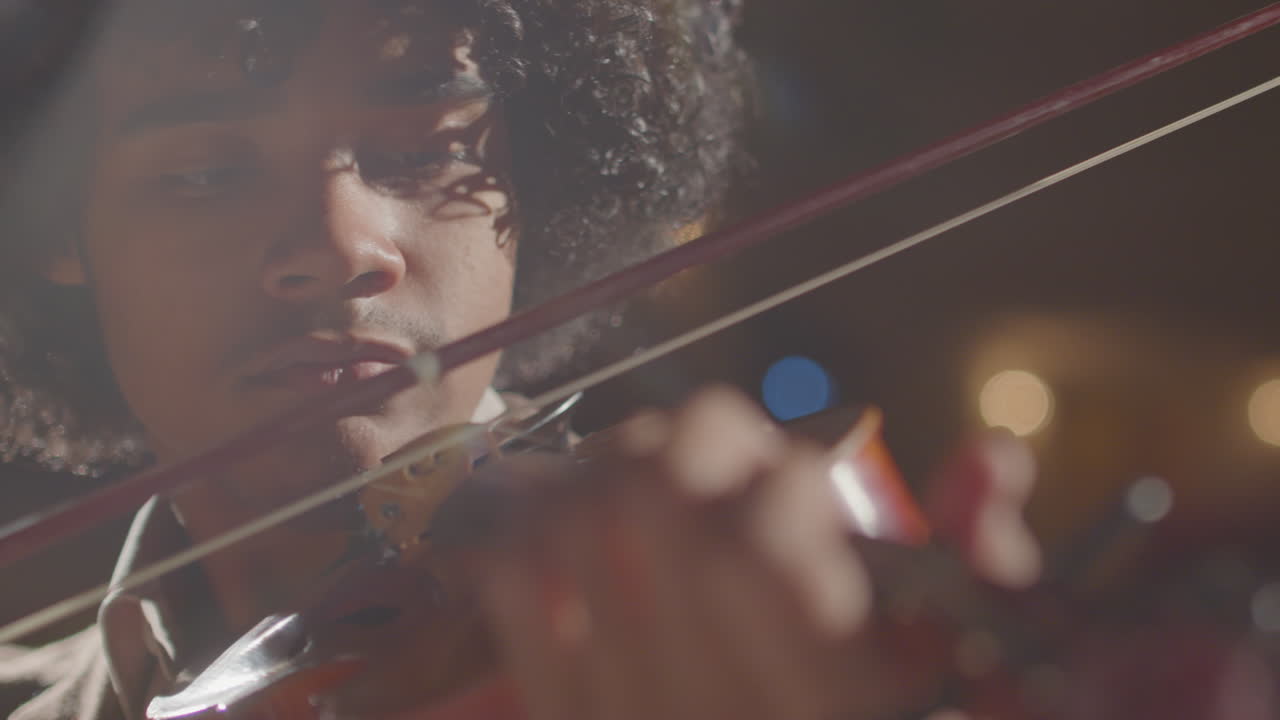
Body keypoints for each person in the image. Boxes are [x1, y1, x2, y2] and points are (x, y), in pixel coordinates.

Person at [0, 1, 1039, 718]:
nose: (335, 245)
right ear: (55, 227)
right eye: (205, 172)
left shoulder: (702, 607)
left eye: (424, 151)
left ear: (540, 173)